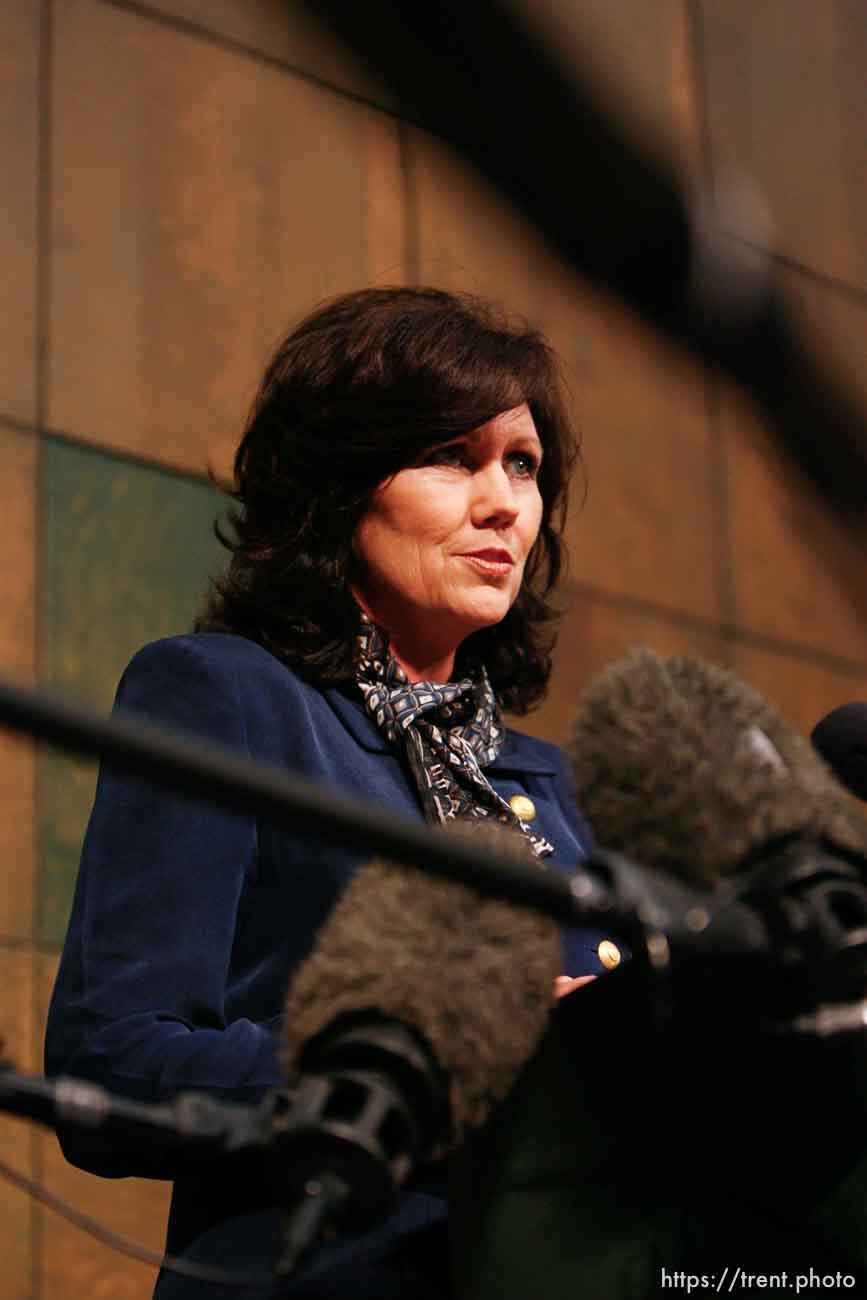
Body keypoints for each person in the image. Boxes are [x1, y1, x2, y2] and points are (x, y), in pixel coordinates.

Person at [44, 286, 609, 1298]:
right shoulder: (226, 699)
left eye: (522, 464)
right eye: (452, 456)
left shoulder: (551, 782)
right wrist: (427, 1054)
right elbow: (108, 1061)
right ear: (340, 484)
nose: (503, 503)